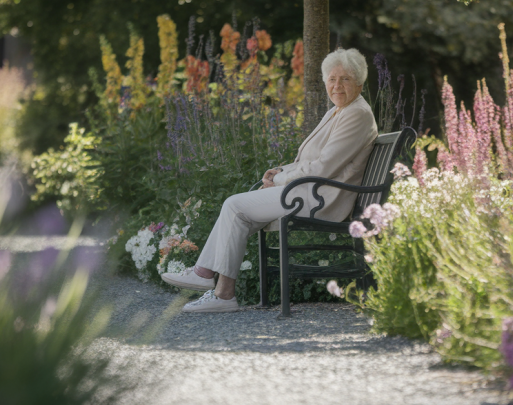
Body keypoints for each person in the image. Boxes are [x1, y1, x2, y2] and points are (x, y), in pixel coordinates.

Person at [162, 48, 379, 312]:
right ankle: (222, 293)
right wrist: (279, 171)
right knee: (239, 214)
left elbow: (324, 166)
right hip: (308, 190)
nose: (337, 86)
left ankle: (206, 276)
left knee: (234, 205)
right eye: (332, 79)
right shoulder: (338, 110)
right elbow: (309, 160)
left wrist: (281, 180)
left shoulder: (357, 114)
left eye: (345, 79)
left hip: (321, 197)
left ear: (359, 82)